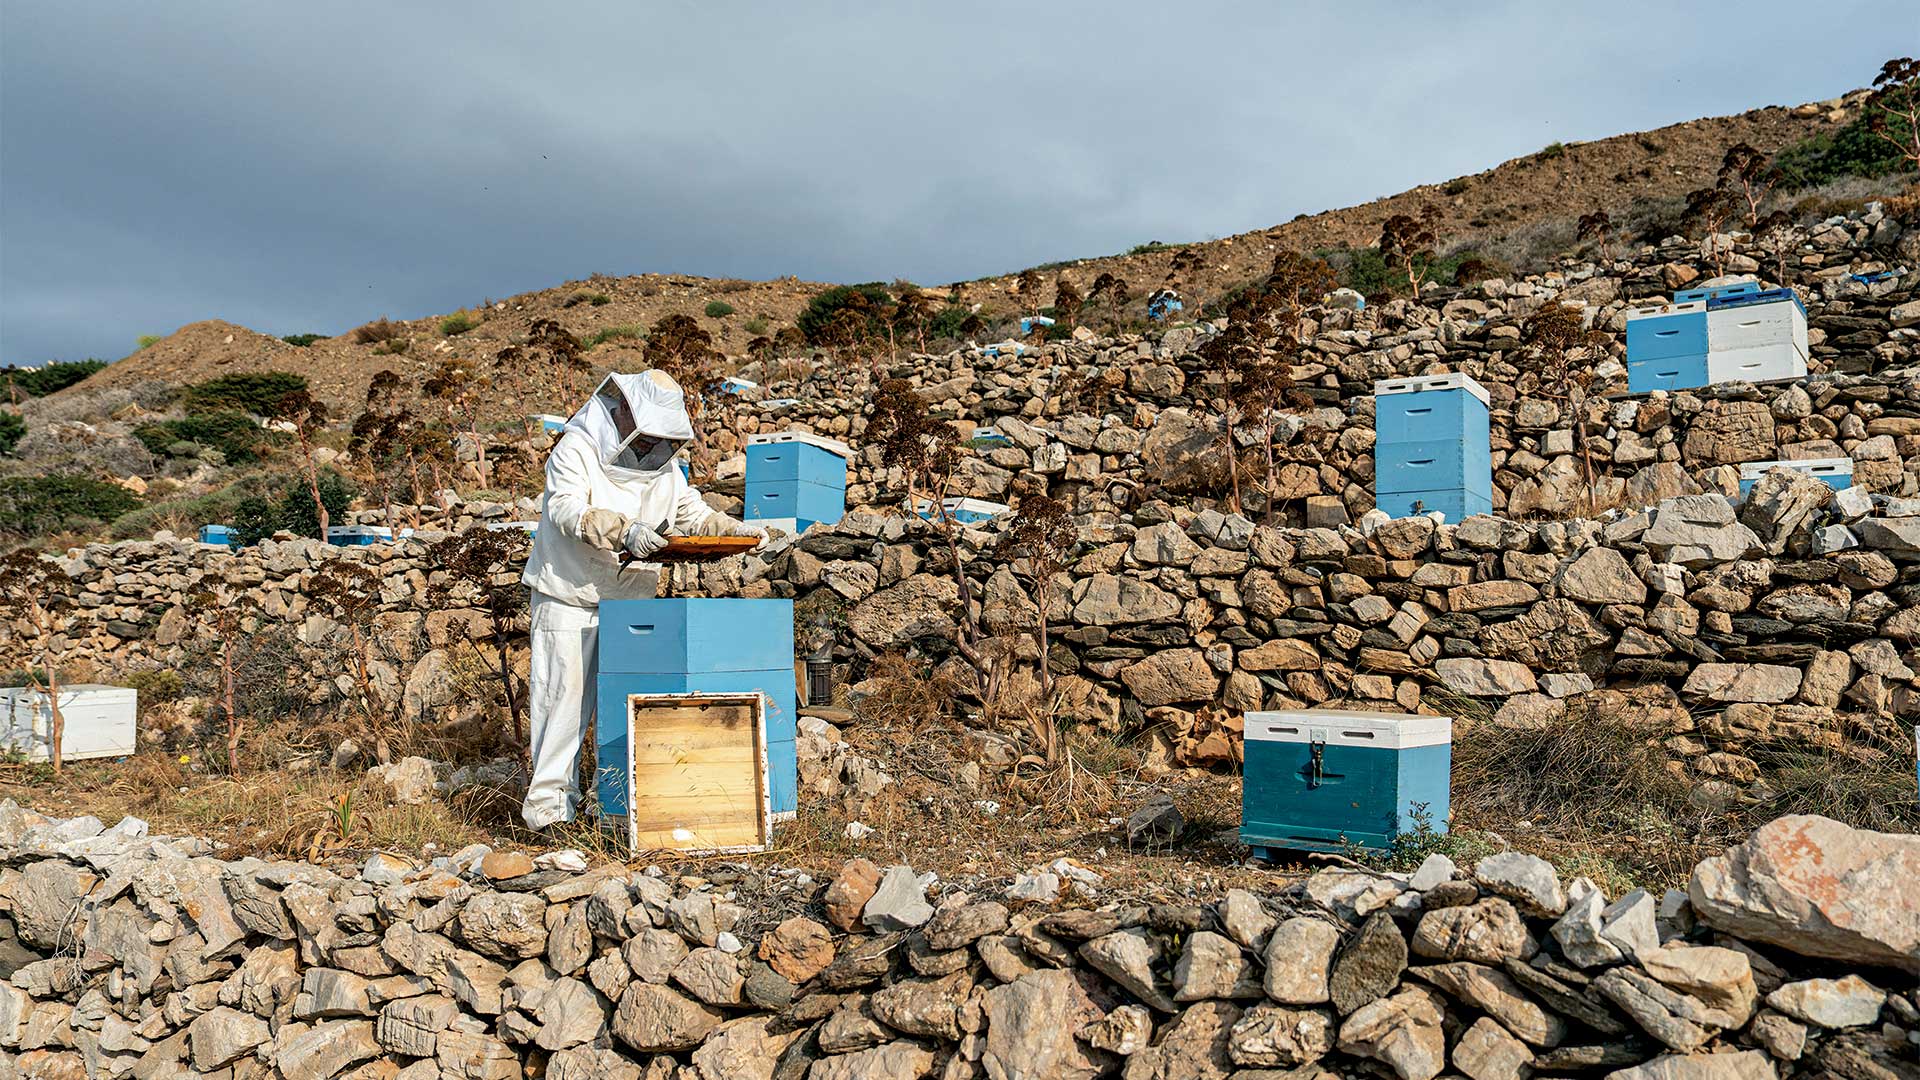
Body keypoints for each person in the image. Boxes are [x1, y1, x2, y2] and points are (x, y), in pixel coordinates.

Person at [519, 369, 766, 830]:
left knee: (623, 708)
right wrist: (622, 530)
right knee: (563, 707)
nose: (651, 447)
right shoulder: (576, 448)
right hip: (569, 597)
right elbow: (565, 508)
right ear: (623, 412)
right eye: (648, 435)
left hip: (630, 604)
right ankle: (548, 815)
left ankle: (612, 811)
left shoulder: (661, 465)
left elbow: (688, 509)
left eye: (660, 439)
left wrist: (733, 528)